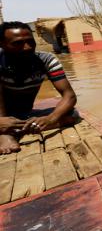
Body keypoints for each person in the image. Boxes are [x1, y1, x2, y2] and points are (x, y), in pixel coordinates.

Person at [0, 21, 77, 154]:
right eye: (17, 43)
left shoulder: (46, 60)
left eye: (30, 41)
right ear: (2, 44)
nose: (27, 47)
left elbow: (69, 96)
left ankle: (15, 130)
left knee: (72, 114)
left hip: (23, 116)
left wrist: (50, 119)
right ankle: (5, 132)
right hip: (2, 115)